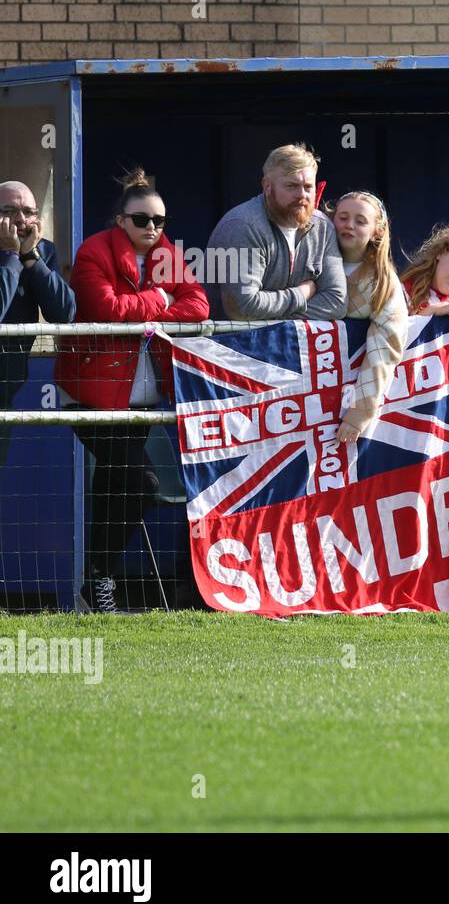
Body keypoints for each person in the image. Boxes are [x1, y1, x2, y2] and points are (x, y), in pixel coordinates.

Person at [54, 169, 209, 612]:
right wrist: (161, 301)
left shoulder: (166, 254)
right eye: (142, 220)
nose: (152, 229)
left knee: (114, 489)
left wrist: (153, 306)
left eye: (160, 221)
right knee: (141, 483)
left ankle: (95, 586)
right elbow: (107, 310)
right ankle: (98, 581)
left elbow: (199, 303)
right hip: (90, 395)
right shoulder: (94, 251)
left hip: (140, 400)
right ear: (121, 219)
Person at [206, 143, 346, 321]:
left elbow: (336, 302)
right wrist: (302, 294)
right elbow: (242, 308)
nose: (302, 195)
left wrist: (274, 318)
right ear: (267, 186)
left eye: (308, 187)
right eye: (291, 186)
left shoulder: (323, 227)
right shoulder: (242, 225)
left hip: (288, 343)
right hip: (226, 345)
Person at [0, 179, 76, 462]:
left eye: (29, 212)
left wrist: (31, 258)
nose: (21, 220)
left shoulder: (42, 251)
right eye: (9, 211)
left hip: (7, 386)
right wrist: (10, 256)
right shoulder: (9, 254)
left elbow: (65, 313)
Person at [328, 191, 409, 445]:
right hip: (300, 396)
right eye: (343, 217)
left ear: (377, 230)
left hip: (344, 402)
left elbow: (385, 349)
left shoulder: (383, 283)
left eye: (360, 221)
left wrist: (358, 414)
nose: (349, 225)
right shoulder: (309, 263)